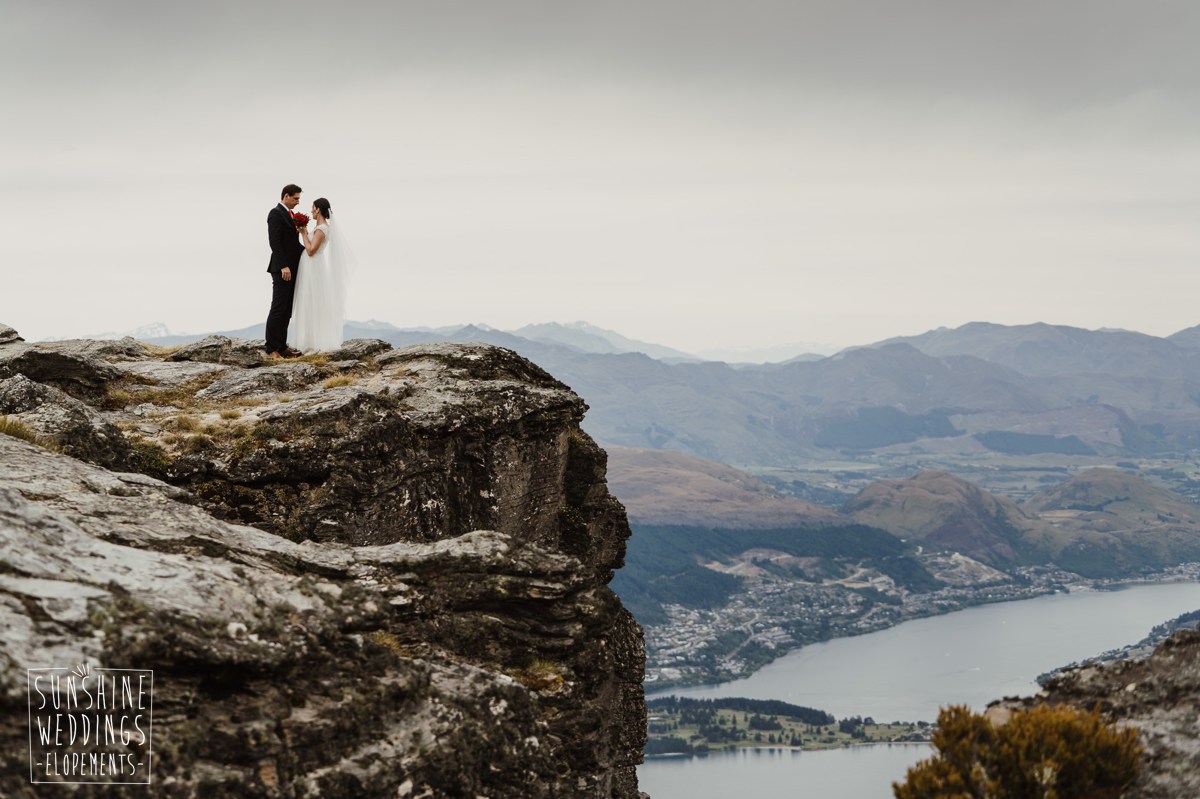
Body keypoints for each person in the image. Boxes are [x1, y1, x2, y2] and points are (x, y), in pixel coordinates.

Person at [291, 197, 349, 352]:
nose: (311, 211)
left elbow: (310, 251)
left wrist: (303, 233)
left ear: (318, 209)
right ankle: (311, 340)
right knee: (310, 304)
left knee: (312, 303)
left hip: (313, 269)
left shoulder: (322, 229)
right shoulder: (320, 228)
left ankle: (315, 343)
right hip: (312, 267)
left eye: (313, 208)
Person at [265, 184, 305, 358]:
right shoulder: (275, 213)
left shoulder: (292, 215)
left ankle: (282, 346)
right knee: (278, 307)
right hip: (282, 269)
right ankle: (271, 348)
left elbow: (293, 244)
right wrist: (283, 266)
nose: (298, 202)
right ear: (286, 196)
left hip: (294, 268)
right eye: (295, 198)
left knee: (287, 309)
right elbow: (275, 242)